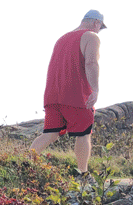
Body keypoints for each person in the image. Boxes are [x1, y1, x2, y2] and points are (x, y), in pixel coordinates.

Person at [30, 10, 106, 176]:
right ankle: (83, 174)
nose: (99, 31)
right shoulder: (91, 36)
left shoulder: (62, 39)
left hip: (52, 95)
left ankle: (24, 162)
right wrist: (95, 89)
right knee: (84, 133)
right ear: (96, 23)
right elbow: (91, 63)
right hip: (76, 94)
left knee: (50, 133)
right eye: (100, 27)